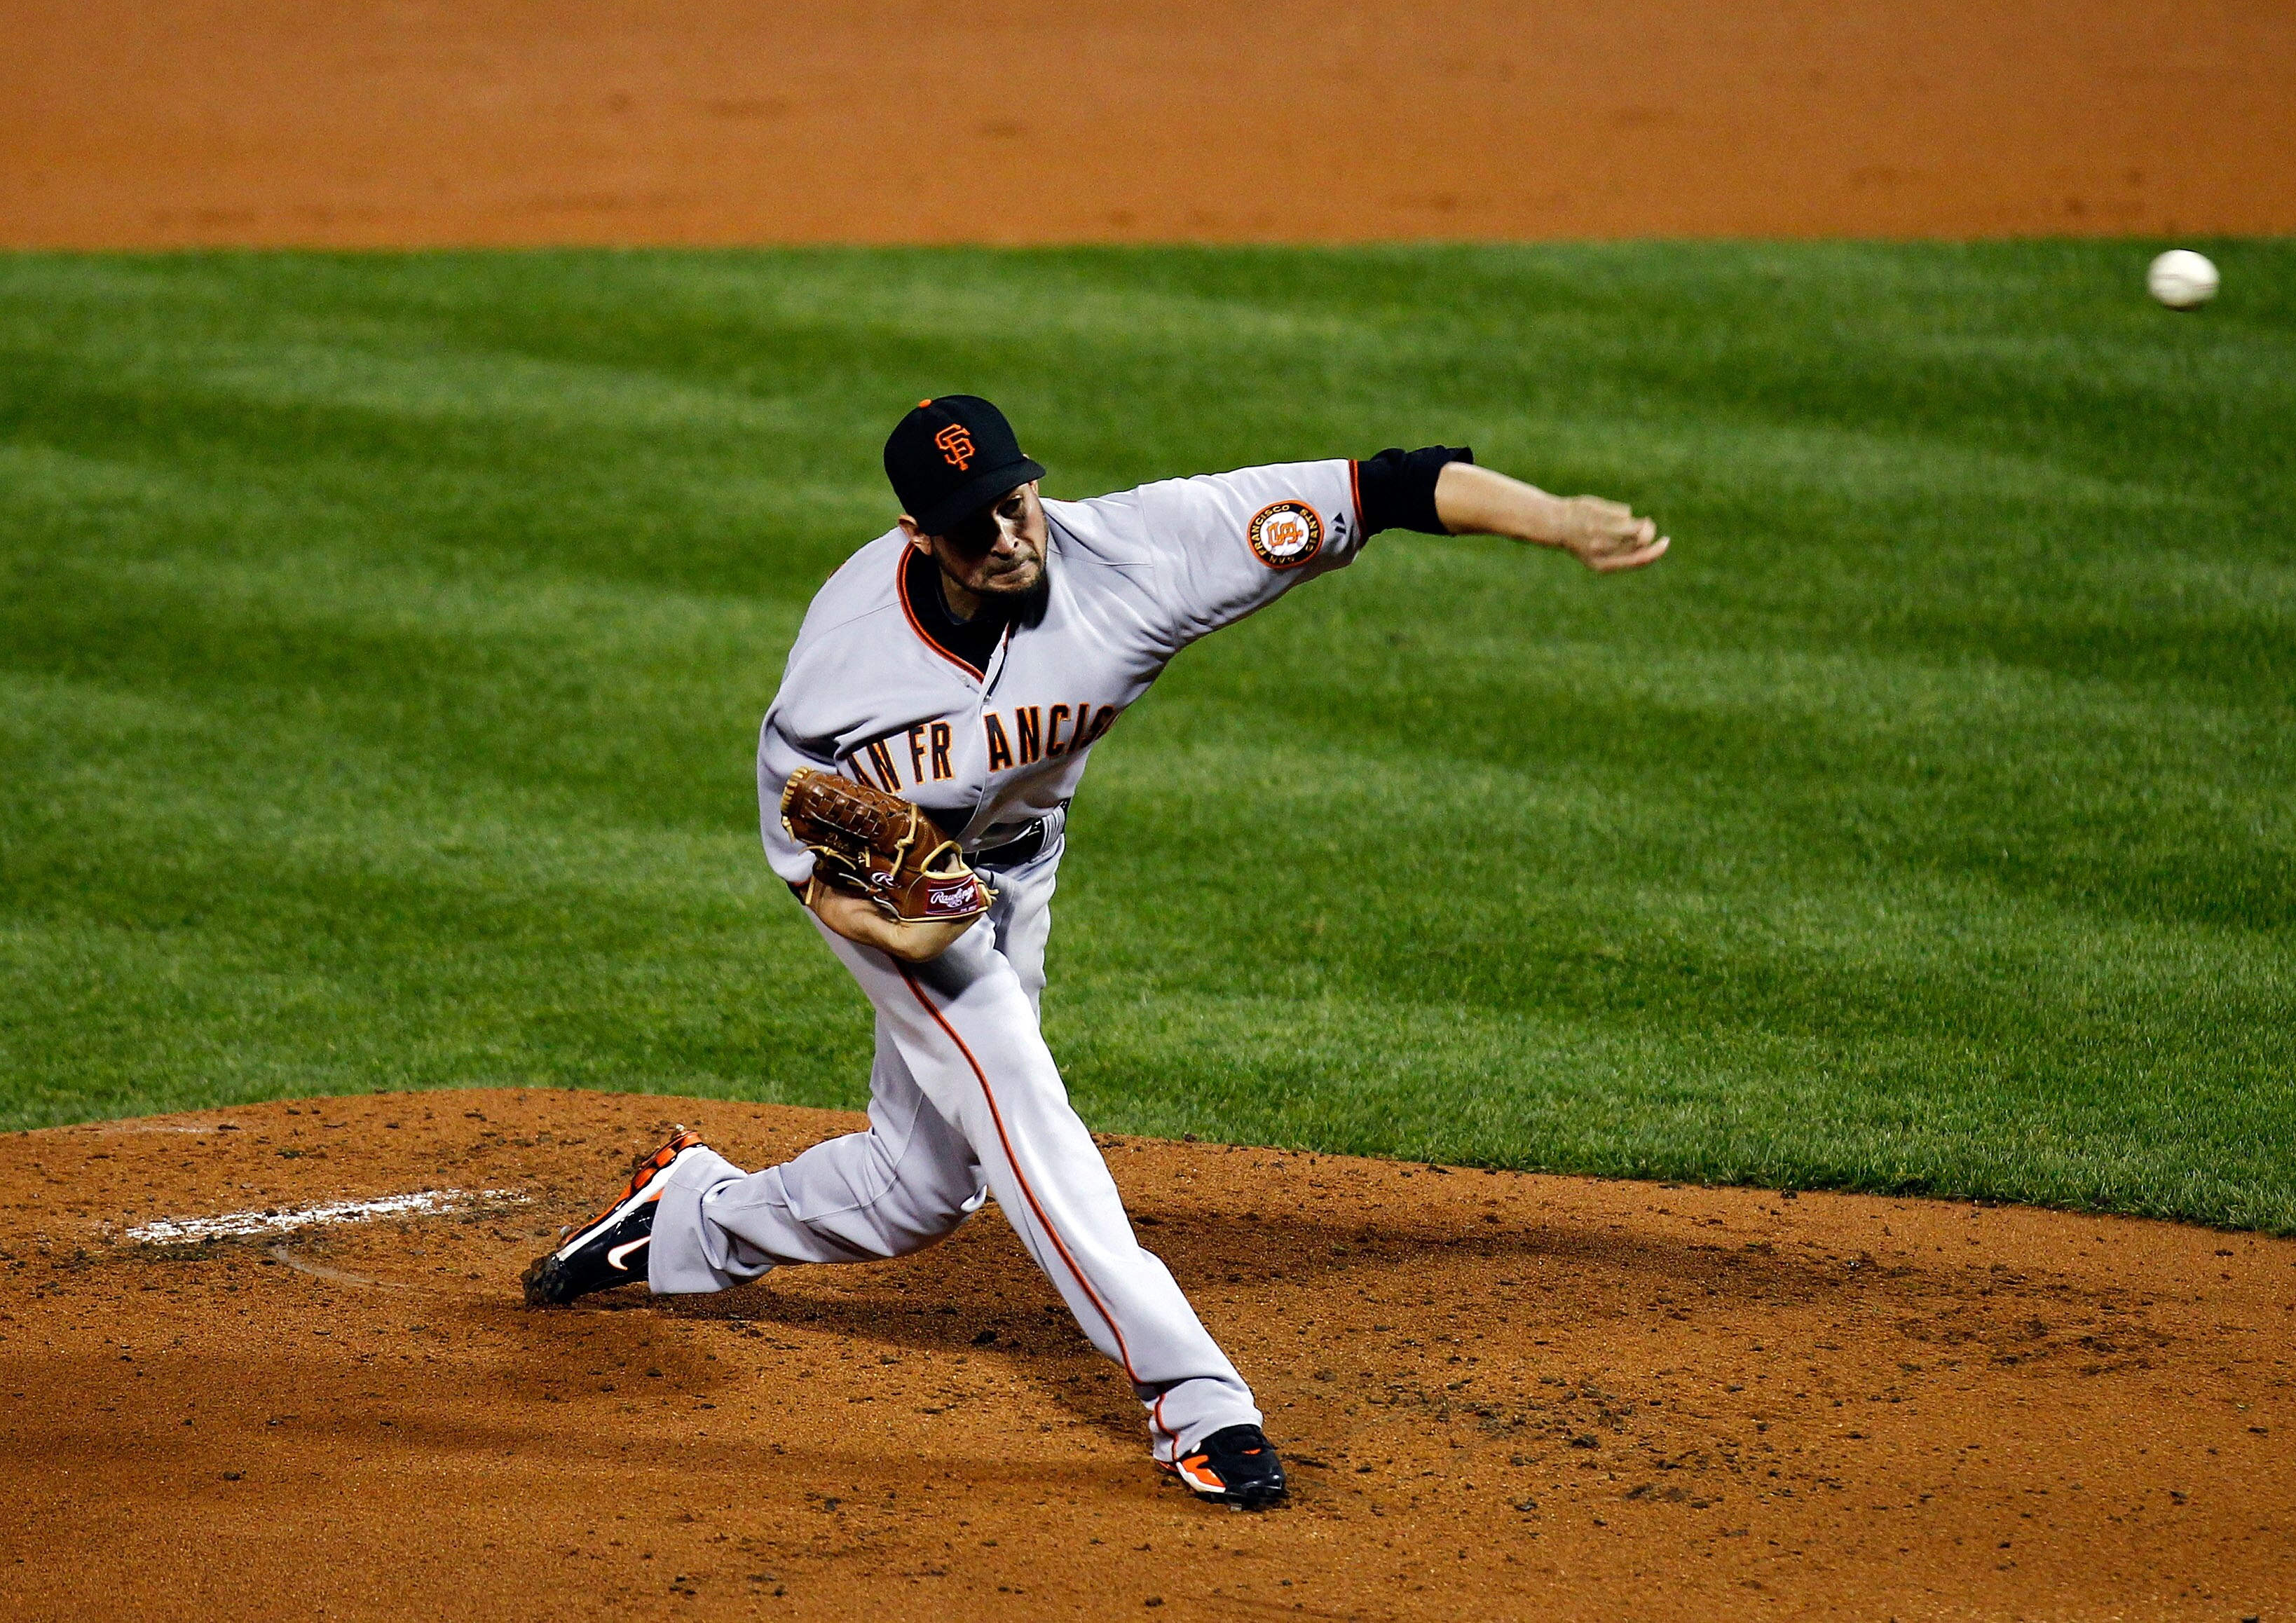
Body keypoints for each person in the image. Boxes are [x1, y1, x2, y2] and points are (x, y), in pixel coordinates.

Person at [524, 396, 1667, 1508]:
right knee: (1021, 1101)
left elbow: (1388, 485)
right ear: (920, 536)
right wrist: (897, 926)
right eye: (975, 522)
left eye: (1017, 498)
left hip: (1019, 867)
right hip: (907, 889)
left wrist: (1557, 518)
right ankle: (1197, 1400)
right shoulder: (842, 674)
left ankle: (688, 1217)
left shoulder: (1136, 552)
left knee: (918, 1189)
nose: (1013, 533)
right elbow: (819, 870)